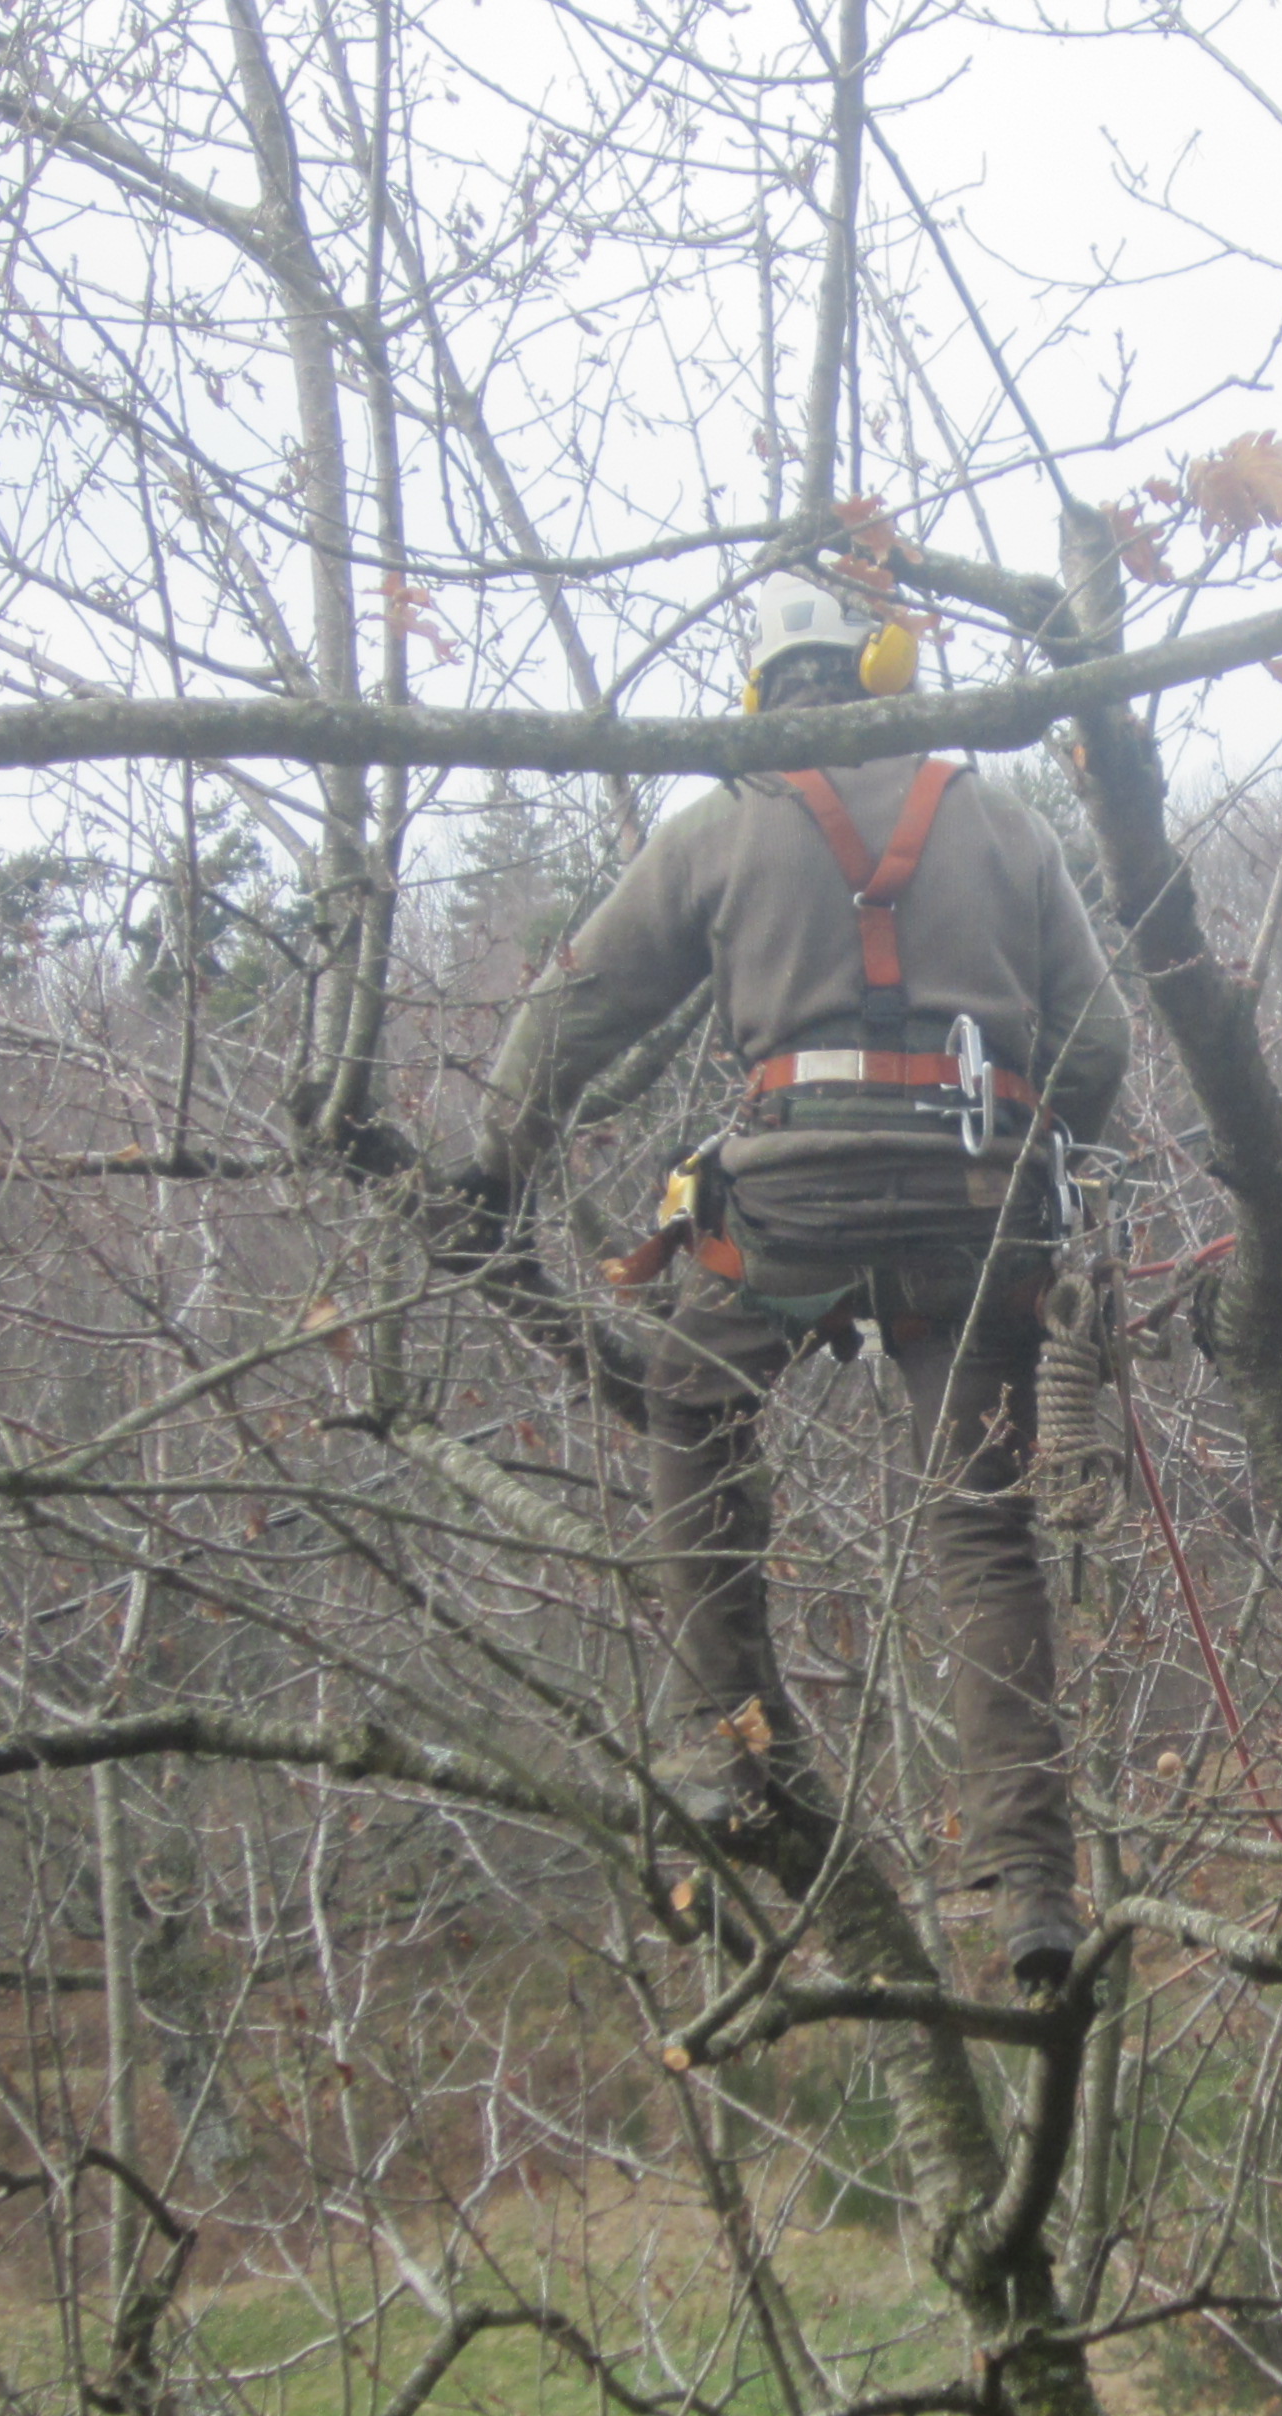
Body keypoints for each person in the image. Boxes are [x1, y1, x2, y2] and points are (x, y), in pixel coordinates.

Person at [472, 572, 1130, 1987]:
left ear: (768, 695)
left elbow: (576, 1007)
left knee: (692, 1418)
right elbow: (1101, 1048)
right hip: (972, 1211)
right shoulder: (1003, 824)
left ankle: (731, 1743)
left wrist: (493, 1162)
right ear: (889, 678)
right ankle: (1030, 1884)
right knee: (982, 1531)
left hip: (783, 1216)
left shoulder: (726, 825)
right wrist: (1037, 1159)